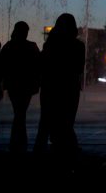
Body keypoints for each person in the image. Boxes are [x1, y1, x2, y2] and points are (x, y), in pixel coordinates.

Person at [35, 12, 85, 157]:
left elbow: (42, 65)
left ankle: (41, 147)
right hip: (70, 87)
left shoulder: (50, 45)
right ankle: (67, 147)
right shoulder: (78, 45)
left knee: (46, 118)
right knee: (67, 119)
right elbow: (79, 68)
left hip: (50, 86)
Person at [1, 20, 40, 152]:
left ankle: (17, 140)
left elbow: (2, 65)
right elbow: (38, 65)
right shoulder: (31, 46)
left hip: (14, 85)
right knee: (20, 112)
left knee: (19, 112)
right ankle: (20, 140)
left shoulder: (8, 46)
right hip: (26, 85)